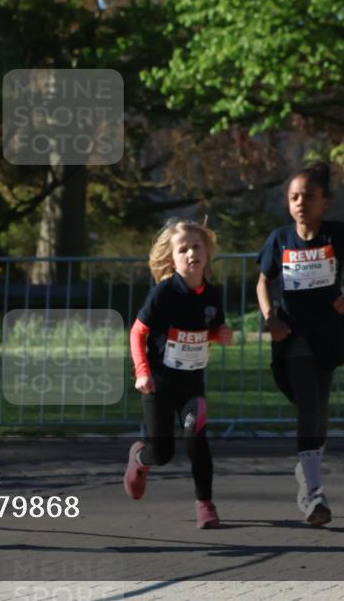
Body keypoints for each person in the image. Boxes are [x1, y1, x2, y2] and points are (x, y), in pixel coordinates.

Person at [255, 162, 344, 526]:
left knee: (319, 410)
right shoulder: (279, 239)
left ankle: (306, 472)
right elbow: (263, 282)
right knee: (308, 404)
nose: (300, 203)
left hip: (327, 333)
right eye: (294, 197)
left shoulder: (337, 235)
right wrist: (269, 318)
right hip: (292, 335)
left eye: (309, 196)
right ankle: (314, 495)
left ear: (325, 202)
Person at [122, 218, 234, 529]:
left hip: (191, 386)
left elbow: (206, 331)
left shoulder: (211, 296)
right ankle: (140, 459)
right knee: (163, 452)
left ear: (206, 252)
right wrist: (142, 372)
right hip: (159, 384)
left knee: (196, 439)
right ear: (172, 258)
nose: (190, 253)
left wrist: (220, 335)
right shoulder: (162, 294)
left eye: (196, 246)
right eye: (182, 249)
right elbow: (137, 333)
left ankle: (205, 504)